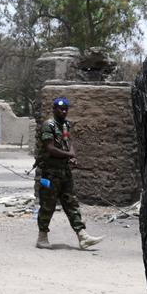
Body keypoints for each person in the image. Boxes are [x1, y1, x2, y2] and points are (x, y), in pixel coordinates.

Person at [35, 97, 103, 250]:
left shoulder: (65, 125)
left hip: (64, 172)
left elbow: (68, 144)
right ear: (54, 109)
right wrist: (69, 155)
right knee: (48, 205)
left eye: (66, 109)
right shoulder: (48, 125)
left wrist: (71, 156)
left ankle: (82, 236)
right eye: (60, 109)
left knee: (71, 203)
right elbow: (50, 148)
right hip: (50, 173)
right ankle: (42, 237)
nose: (64, 111)